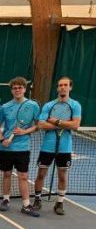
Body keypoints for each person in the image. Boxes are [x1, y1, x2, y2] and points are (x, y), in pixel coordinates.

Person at [33, 76, 83, 215]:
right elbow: (41, 124)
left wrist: (55, 121)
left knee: (62, 175)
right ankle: (37, 199)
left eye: (65, 85)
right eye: (60, 85)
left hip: (65, 147)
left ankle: (59, 203)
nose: (63, 87)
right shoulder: (49, 105)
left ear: (70, 87)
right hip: (47, 147)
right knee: (41, 174)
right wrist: (64, 123)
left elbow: (75, 125)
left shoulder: (75, 105)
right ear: (57, 88)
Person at [0, 77, 40, 216]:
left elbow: (38, 125)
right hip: (7, 148)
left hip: (23, 147)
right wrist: (2, 140)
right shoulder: (5, 107)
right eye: (15, 88)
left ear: (24, 89)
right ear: (11, 90)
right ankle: (6, 200)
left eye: (20, 87)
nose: (17, 90)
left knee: (23, 176)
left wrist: (24, 131)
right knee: (7, 174)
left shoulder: (33, 106)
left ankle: (26, 205)